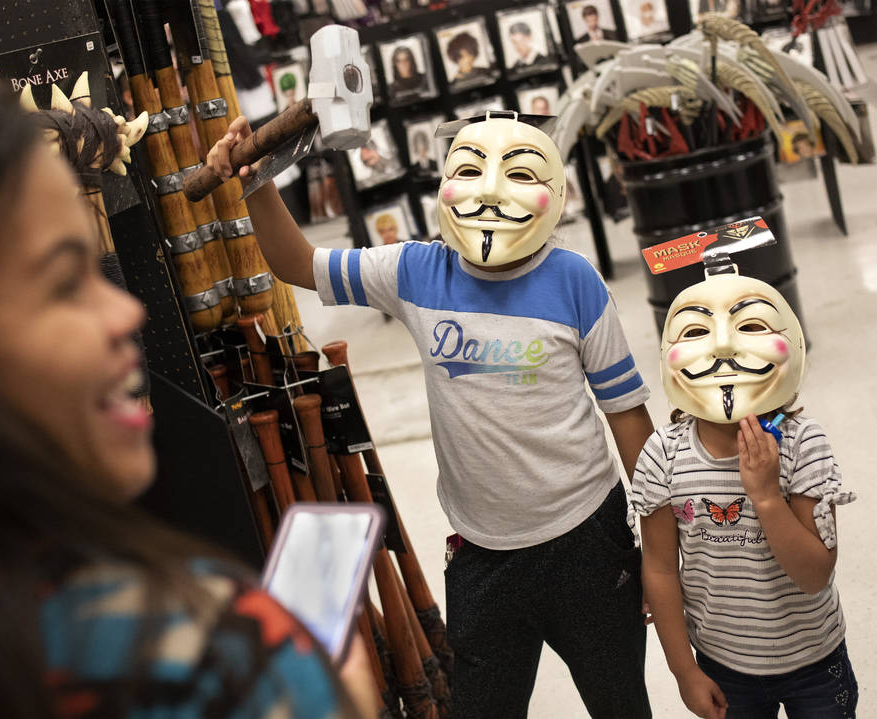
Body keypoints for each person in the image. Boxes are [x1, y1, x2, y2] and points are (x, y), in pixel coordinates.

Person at [0, 77, 373, 719]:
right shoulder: (195, 663)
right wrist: (322, 695)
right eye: (63, 282)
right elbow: (304, 266)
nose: (124, 312)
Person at [209, 111, 655, 718]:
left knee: (621, 703)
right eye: (469, 170)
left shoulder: (575, 282)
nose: (490, 189)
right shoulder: (418, 270)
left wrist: (661, 548)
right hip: (480, 554)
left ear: (556, 190)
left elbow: (629, 421)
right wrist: (256, 182)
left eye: (518, 173)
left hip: (586, 542)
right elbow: (300, 266)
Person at [631, 268, 858, 719]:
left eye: (751, 325)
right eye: (695, 331)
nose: (722, 345)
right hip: (722, 665)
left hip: (815, 661)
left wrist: (768, 499)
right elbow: (659, 570)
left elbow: (815, 575)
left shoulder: (802, 444)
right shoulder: (663, 455)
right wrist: (684, 672)